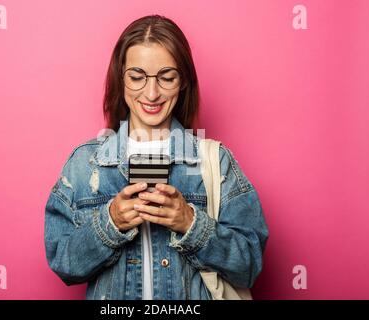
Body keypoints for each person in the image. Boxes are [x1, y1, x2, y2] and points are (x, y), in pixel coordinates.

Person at [44, 14, 269, 300]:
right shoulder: (85, 164)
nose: (152, 93)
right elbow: (63, 264)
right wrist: (109, 223)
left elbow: (249, 265)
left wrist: (191, 223)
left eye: (167, 77)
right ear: (121, 79)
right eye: (137, 77)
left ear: (183, 81)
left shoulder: (214, 161)